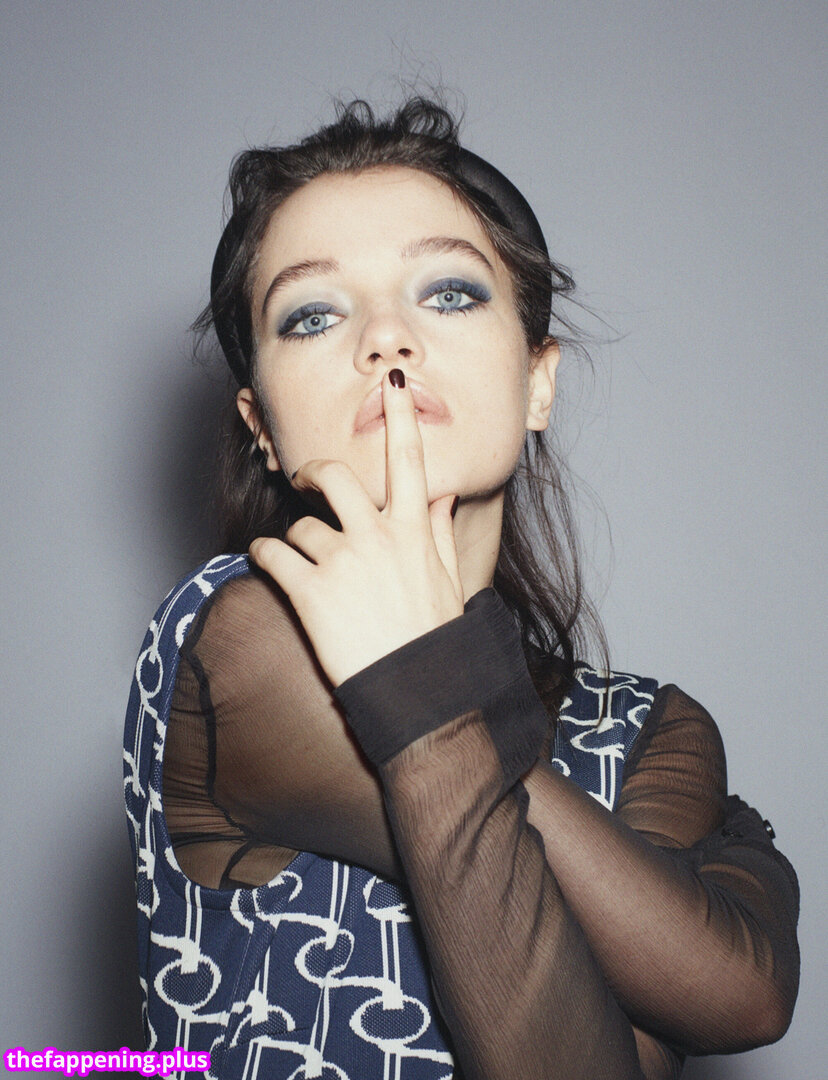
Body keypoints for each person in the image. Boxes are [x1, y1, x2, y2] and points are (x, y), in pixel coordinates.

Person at [123, 99, 799, 1080]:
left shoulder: (645, 728)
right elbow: (725, 986)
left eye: (447, 292)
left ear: (538, 381)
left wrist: (730, 964)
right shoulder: (244, 633)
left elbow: (735, 1003)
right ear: (261, 425)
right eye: (314, 314)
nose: (385, 339)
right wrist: (713, 914)